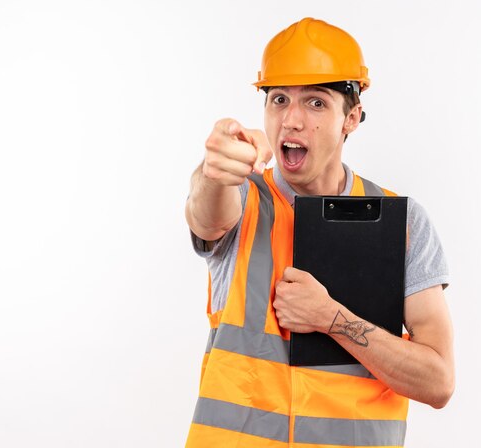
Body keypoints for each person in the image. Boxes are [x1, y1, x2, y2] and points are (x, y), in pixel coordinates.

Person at [184, 17, 454, 448]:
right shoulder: (242, 198)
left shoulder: (403, 224)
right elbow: (207, 216)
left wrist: (331, 319)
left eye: (315, 103)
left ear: (352, 117)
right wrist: (214, 172)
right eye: (278, 99)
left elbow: (437, 381)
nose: (291, 120)